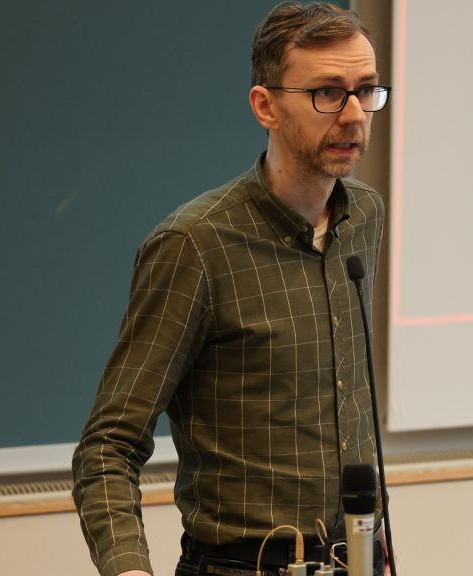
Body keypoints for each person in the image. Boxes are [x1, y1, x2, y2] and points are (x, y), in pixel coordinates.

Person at [71, 3, 389, 575]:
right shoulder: (194, 245)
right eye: (327, 93)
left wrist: (376, 544)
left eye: (365, 91)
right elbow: (108, 447)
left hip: (355, 557)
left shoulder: (364, 215)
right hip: (240, 565)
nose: (352, 115)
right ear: (265, 106)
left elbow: (350, 413)